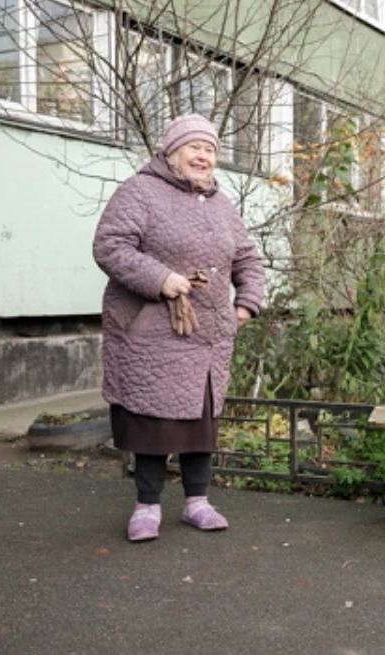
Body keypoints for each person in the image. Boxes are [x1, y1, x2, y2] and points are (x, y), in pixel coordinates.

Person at [93, 113, 265, 542]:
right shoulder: (140, 192)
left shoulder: (223, 205)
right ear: (171, 152)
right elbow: (110, 245)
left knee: (199, 424)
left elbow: (248, 259)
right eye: (194, 147)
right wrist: (161, 279)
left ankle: (197, 503)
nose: (203, 156)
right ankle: (146, 507)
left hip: (206, 335)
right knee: (152, 423)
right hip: (151, 332)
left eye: (210, 150)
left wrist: (246, 305)